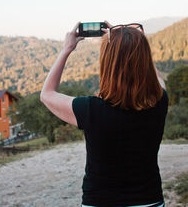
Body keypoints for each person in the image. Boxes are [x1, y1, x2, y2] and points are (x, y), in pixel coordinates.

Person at [40, 21, 168, 207]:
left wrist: (67, 49)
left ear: (107, 63)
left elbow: (47, 94)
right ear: (145, 58)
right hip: (149, 202)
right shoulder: (159, 101)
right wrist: (136, 45)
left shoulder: (89, 110)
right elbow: (156, 78)